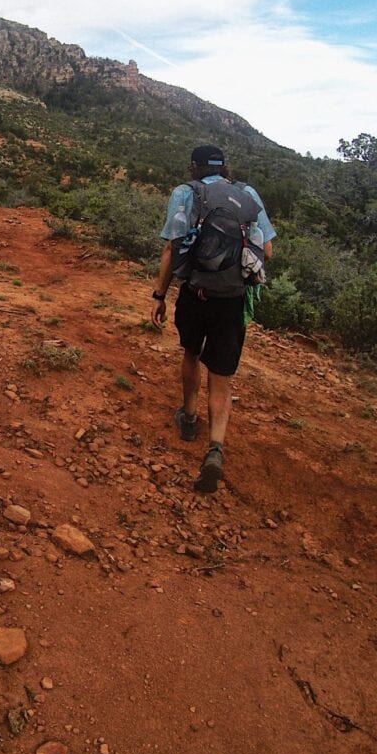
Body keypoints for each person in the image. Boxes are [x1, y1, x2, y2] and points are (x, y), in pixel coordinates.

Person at [149, 144, 276, 493]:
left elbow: (171, 248)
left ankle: (189, 418)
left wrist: (160, 295)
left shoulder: (186, 193)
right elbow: (267, 249)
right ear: (224, 167)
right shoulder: (247, 194)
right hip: (232, 299)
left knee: (191, 353)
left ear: (194, 167)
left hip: (195, 293)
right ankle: (215, 447)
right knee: (222, 375)